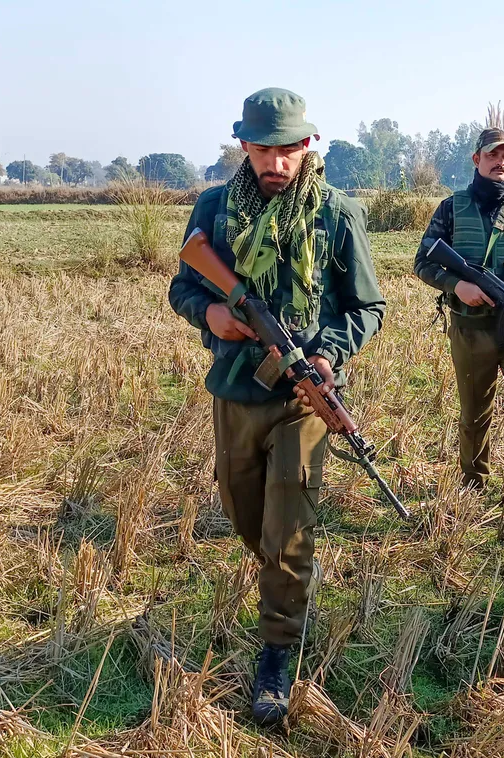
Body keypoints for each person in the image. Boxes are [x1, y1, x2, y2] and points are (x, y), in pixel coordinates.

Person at [168, 87, 386, 725]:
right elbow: (184, 285)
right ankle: (284, 582)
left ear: (306, 145)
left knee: (288, 529)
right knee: (244, 512)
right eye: (263, 148)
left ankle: (278, 651)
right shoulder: (213, 208)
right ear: (243, 146)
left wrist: (327, 358)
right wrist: (211, 313)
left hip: (301, 398)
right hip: (236, 389)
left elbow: (367, 308)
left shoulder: (336, 214)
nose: (276, 161)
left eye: (288, 148)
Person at [413, 128, 504, 493]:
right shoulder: (451, 208)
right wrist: (457, 285)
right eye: (493, 155)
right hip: (470, 330)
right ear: (477, 159)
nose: (501, 162)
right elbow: (423, 262)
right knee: (475, 416)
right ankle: (473, 483)